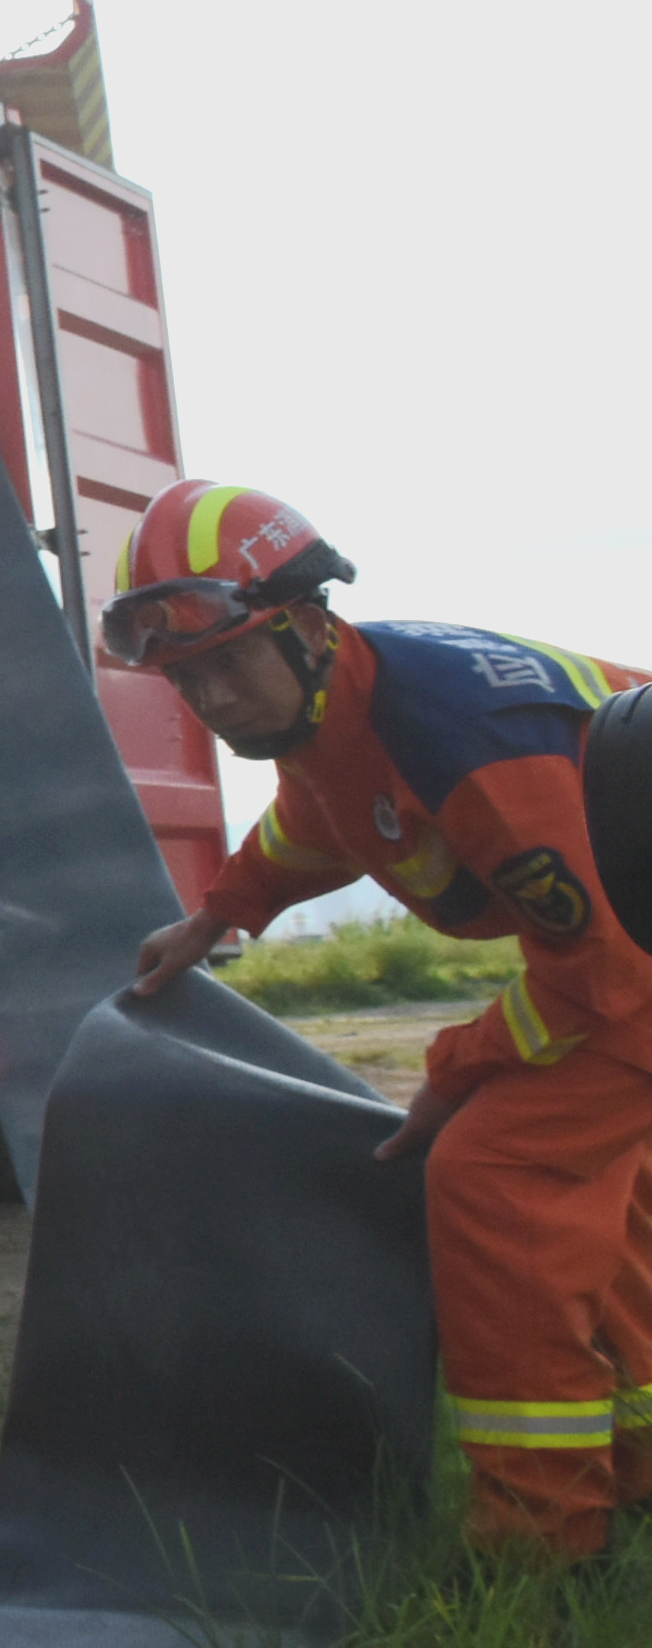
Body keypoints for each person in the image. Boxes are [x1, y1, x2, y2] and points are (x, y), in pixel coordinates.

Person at [114, 480, 652, 1556]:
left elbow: (596, 979)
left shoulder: (459, 730)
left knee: (495, 1175)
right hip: (627, 952)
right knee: (595, 1197)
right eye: (185, 679)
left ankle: (541, 1552)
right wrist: (219, 913)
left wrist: (453, 1070)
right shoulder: (336, 709)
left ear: (308, 623)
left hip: (624, 963)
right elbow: (321, 819)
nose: (209, 700)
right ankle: (632, 1471)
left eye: (227, 663)